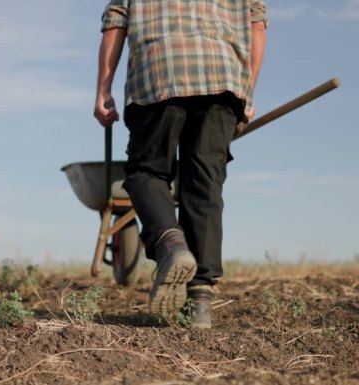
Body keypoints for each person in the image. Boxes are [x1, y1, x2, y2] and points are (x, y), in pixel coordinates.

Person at [94, 0, 268, 329]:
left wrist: (103, 89)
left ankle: (170, 242)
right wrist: (247, 93)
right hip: (221, 75)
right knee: (204, 181)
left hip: (157, 73)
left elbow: (116, 20)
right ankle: (200, 300)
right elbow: (256, 24)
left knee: (147, 172)